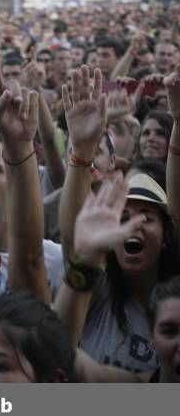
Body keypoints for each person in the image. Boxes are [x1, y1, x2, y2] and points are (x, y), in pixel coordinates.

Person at [56, 63, 180, 372]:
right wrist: (82, 151)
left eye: (147, 217)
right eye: (122, 215)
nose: (132, 223)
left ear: (167, 236)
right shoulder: (96, 293)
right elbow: (75, 236)